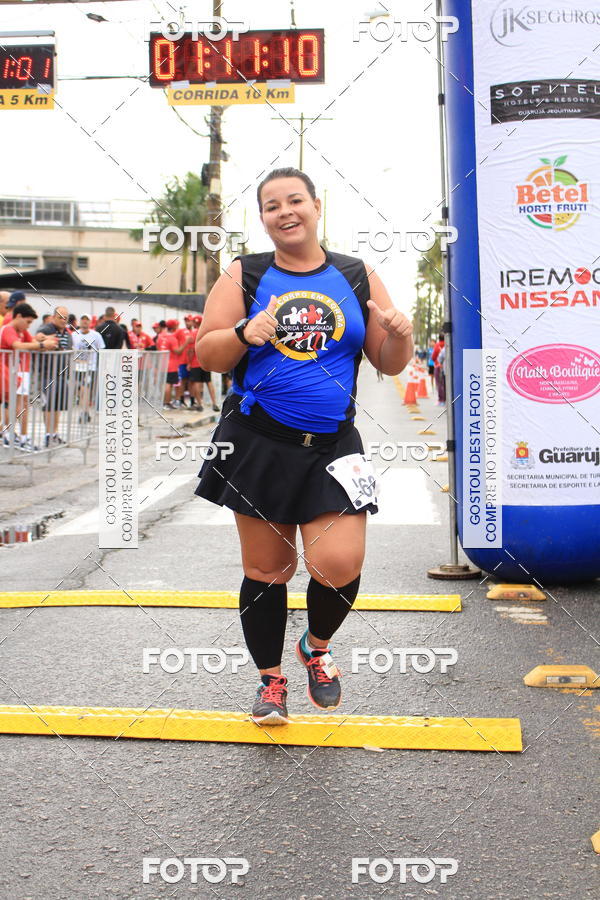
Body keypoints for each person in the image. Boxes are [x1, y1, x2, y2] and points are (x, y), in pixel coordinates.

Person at [195, 167, 413, 724]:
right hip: (258, 440)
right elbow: (208, 354)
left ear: (317, 206)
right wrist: (243, 333)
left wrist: (402, 336)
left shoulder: (356, 275)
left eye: (295, 200)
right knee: (268, 569)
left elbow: (388, 363)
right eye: (272, 206)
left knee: (339, 563)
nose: (285, 212)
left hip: (334, 444)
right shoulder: (245, 273)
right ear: (262, 218)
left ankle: (316, 648)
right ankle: (271, 682)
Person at [0, 302, 58, 450]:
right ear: (18, 316)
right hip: (6, 373)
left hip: (14, 373)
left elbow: (32, 343)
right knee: (14, 405)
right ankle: (10, 434)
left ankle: (13, 435)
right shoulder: (8, 329)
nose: (28, 326)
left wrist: (44, 340)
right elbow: (18, 346)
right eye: (28, 322)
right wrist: (43, 345)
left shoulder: (21, 330)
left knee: (19, 405)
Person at [34, 305, 73, 447]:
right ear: (53, 317)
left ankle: (54, 434)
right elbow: (37, 338)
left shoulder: (68, 333)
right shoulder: (46, 329)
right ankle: (48, 435)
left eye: (65, 318)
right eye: (60, 317)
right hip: (47, 374)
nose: (63, 320)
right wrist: (44, 338)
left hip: (62, 374)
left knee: (57, 406)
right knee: (49, 406)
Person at [72, 314, 105, 422]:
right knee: (80, 391)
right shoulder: (74, 335)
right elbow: (71, 350)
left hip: (90, 368)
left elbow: (102, 349)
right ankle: (85, 412)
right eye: (83, 319)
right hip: (77, 367)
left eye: (87, 320)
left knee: (85, 389)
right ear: (79, 321)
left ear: (90, 322)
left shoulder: (96, 335)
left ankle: (84, 413)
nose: (85, 321)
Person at [156, 319, 191, 408]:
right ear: (174, 326)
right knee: (169, 384)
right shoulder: (172, 338)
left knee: (166, 384)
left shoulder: (160, 337)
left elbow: (158, 348)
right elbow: (178, 351)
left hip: (162, 364)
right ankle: (167, 403)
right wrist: (186, 343)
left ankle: (166, 402)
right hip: (171, 365)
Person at [431, 332, 446, 406]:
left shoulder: (437, 345)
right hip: (448, 367)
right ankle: (447, 398)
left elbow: (433, 357)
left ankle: (441, 400)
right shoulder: (448, 344)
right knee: (445, 383)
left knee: (439, 383)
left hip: (438, 366)